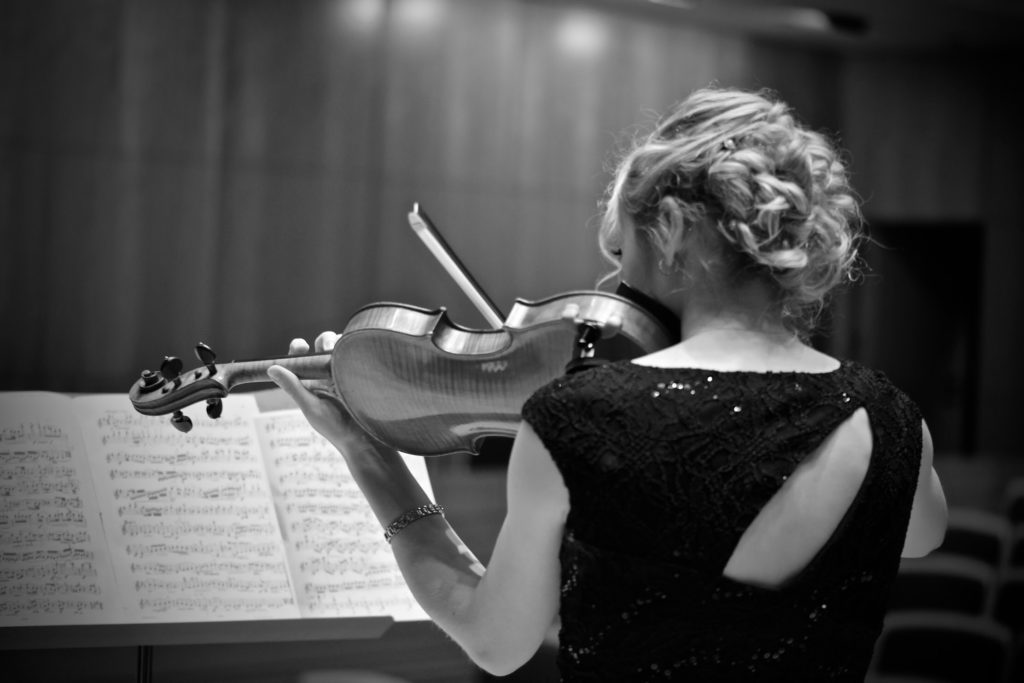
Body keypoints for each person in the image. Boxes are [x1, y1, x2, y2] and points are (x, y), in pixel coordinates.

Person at [267, 86, 948, 681]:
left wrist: (370, 457)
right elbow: (919, 534)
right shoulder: (896, 424)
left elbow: (496, 643)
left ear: (676, 229)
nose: (613, 285)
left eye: (623, 250)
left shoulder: (583, 417)